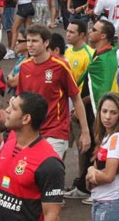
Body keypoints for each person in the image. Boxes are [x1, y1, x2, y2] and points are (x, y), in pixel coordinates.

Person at [0, 92, 64, 221]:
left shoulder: (49, 163)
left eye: (14, 108)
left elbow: (52, 215)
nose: (7, 110)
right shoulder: (8, 145)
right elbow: (0, 191)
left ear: (26, 119)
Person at [17, 26, 90, 160]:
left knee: (49, 171)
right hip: (31, 131)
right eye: (28, 41)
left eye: (34, 41)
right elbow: (21, 100)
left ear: (46, 43)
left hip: (55, 132)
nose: (30, 45)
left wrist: (85, 132)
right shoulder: (24, 67)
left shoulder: (61, 65)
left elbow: (76, 99)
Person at [85, 92, 119, 221]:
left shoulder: (117, 138)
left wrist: (91, 172)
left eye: (113, 113)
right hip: (101, 200)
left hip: (111, 202)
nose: (107, 117)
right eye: (104, 111)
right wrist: (91, 171)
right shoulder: (106, 137)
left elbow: (108, 176)